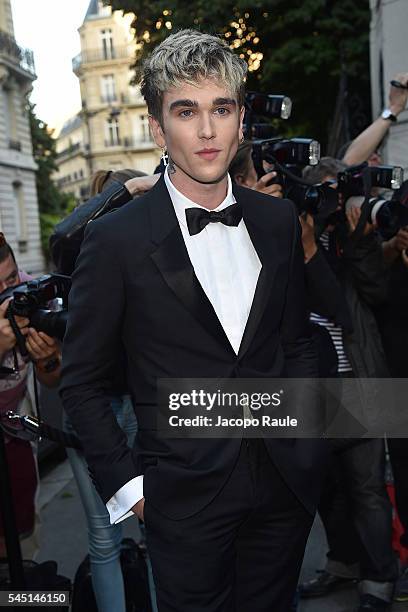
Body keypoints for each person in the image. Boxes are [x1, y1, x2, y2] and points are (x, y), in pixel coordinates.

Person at [60, 29, 327, 612]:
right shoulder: (115, 241)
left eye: (221, 109)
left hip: (283, 487)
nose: (207, 131)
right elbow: (79, 382)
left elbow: (298, 343)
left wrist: (307, 445)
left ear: (240, 121)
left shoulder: (278, 221)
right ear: (159, 129)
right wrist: (134, 493)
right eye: (187, 111)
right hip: (179, 499)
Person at [297, 158, 398, 611]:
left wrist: (359, 241)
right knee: (325, 489)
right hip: (309, 385)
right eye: (320, 194)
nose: (329, 204)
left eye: (334, 194)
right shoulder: (287, 238)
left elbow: (376, 292)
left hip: (359, 376)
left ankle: (379, 577)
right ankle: (343, 563)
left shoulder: (352, 236)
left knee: (367, 489)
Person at [59, 169, 144, 612]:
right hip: (109, 405)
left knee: (110, 539)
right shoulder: (87, 249)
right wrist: (127, 189)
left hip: (127, 403)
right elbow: (63, 240)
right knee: (119, 536)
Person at [0, 233, 61, 558]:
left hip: (15, 440)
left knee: (23, 544)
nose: (7, 294)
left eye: (11, 278)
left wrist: (47, 358)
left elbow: (52, 379)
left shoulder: (28, 294)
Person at [341, 72, 408, 167]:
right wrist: (394, 108)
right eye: (367, 155)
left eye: (376, 153)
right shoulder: (348, 171)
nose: (375, 157)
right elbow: (349, 163)